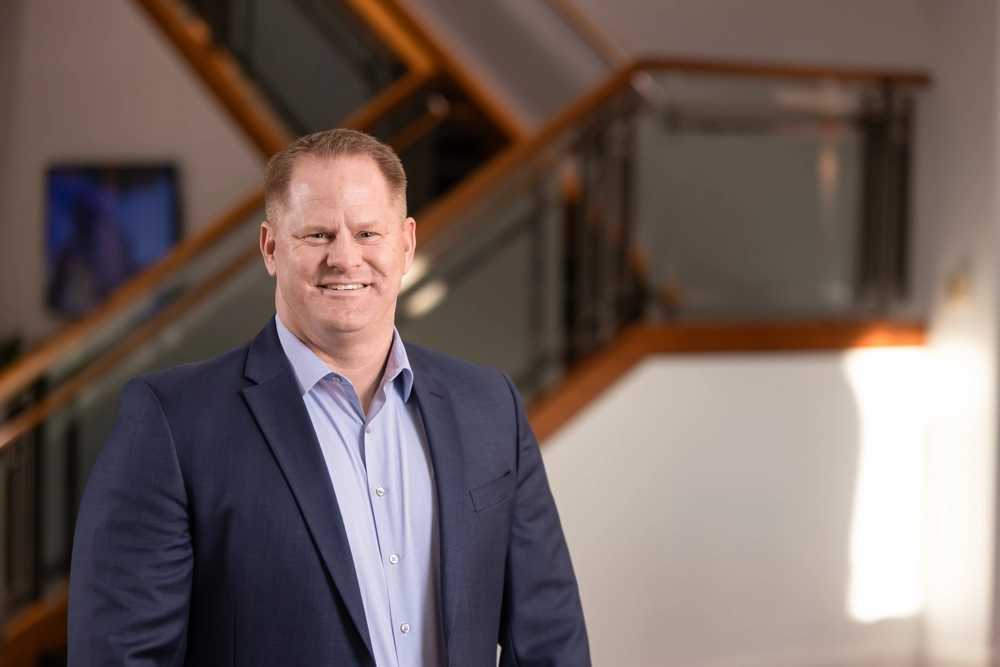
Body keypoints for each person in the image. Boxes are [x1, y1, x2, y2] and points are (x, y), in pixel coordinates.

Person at [68, 128, 590, 666]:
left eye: (368, 233)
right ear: (271, 247)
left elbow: (551, 640)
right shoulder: (172, 423)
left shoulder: (491, 406)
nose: (345, 258)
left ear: (406, 244)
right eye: (318, 235)